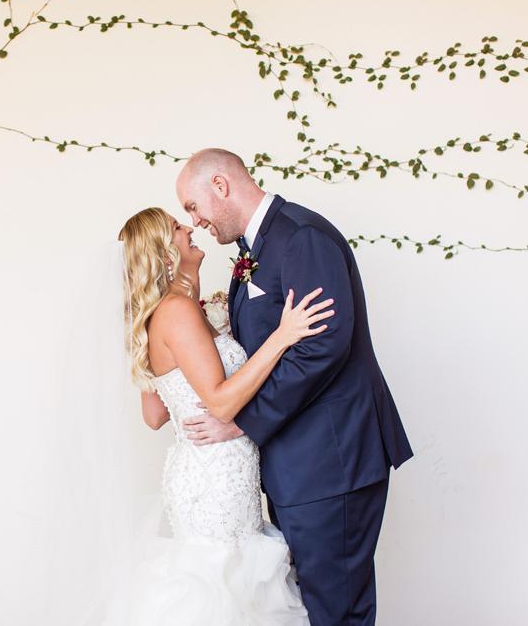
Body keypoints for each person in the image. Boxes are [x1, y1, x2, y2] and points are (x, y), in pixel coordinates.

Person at [173, 148, 414, 626]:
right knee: (312, 607)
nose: (195, 221)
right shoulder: (257, 248)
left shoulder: (301, 237)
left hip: (331, 460)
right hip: (298, 466)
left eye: (193, 206)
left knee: (335, 612)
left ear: (220, 185)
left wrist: (243, 422)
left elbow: (322, 346)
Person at [114, 206, 334, 625]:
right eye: (176, 227)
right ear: (164, 252)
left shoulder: (167, 311)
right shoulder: (176, 311)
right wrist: (282, 337)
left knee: (226, 587)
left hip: (202, 469)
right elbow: (220, 402)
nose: (189, 227)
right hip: (216, 477)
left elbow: (155, 414)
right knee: (227, 589)